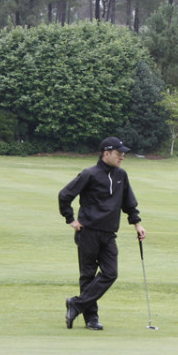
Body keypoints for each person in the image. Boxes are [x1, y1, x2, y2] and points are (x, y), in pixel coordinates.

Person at [58, 136, 146, 331]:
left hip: (108, 233)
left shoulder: (121, 175)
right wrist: (70, 219)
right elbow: (65, 195)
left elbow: (129, 203)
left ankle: (76, 304)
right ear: (106, 153)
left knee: (110, 273)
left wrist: (137, 224)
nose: (122, 157)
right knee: (88, 275)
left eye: (123, 154)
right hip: (87, 232)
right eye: (118, 153)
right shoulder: (89, 174)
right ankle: (91, 319)